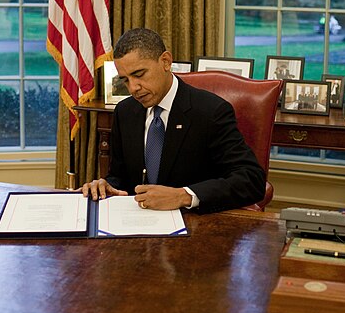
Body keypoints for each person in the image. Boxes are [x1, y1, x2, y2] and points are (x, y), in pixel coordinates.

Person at [81, 28, 265, 213]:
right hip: (137, 223)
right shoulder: (125, 111)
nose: (133, 88)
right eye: (125, 80)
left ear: (166, 62)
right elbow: (119, 177)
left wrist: (183, 196)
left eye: (139, 74)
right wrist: (107, 185)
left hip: (194, 224)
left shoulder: (211, 111)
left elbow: (251, 180)